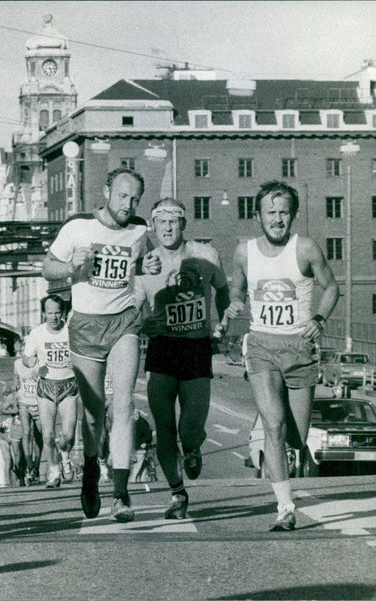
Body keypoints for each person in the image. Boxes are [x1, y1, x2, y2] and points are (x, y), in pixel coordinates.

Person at [42, 167, 160, 521]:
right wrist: (68, 267)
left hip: (124, 322)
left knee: (123, 405)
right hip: (85, 327)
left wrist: (148, 265)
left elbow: (143, 262)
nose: (128, 204)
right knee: (94, 416)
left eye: (135, 198)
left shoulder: (140, 230)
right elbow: (47, 267)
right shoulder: (78, 226)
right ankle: (91, 470)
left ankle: (121, 494)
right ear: (108, 192)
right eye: (123, 196)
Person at [225, 180, 338, 531]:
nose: (277, 219)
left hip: (300, 348)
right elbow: (236, 286)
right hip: (261, 346)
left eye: (283, 212)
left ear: (294, 215)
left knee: (296, 436)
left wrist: (319, 319)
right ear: (258, 216)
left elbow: (332, 287)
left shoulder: (305, 249)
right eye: (270, 212)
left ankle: (288, 448)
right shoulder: (245, 252)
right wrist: (236, 302)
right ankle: (285, 506)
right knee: (273, 425)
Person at [135, 198, 230, 519]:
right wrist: (142, 323)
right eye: (161, 221)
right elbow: (133, 308)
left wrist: (223, 321)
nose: (167, 227)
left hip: (195, 349)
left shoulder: (206, 255)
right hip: (161, 350)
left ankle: (192, 446)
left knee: (189, 429)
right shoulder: (145, 264)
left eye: (174, 221)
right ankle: (177, 493)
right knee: (164, 429)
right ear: (153, 225)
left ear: (184, 224)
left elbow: (223, 290)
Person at [22, 295, 78, 488]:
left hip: (68, 385)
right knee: (47, 435)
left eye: (57, 313)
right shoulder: (37, 333)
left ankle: (65, 456)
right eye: (50, 313)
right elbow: (26, 357)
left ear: (63, 313)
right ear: (44, 313)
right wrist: (31, 362)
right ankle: (53, 473)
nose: (54, 317)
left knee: (68, 435)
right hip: (46, 386)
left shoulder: (71, 331)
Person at [14, 355, 42, 485]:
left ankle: (36, 465)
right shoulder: (17, 363)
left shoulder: (41, 363)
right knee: (26, 432)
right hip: (24, 403)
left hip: (39, 404)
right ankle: (29, 464)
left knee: (39, 435)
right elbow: (15, 380)